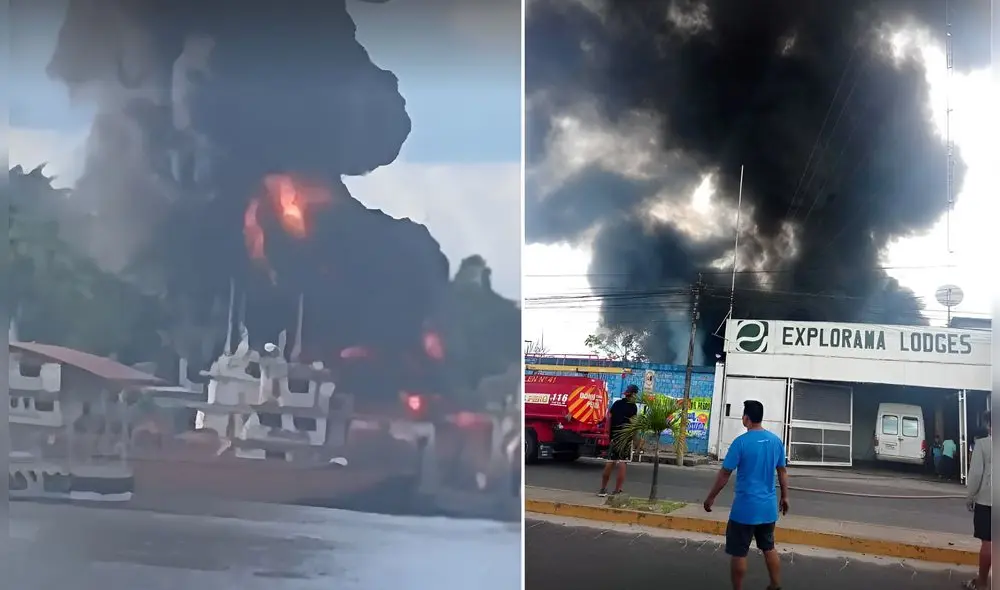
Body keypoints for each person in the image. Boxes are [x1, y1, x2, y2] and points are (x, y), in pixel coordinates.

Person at [704, 400, 789, 590]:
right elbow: (782, 471)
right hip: (767, 509)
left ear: (746, 418)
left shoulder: (740, 443)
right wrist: (785, 496)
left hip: (744, 510)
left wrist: (711, 497)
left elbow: (725, 474)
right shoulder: (775, 441)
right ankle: (775, 585)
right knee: (769, 547)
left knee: (739, 553)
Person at [963, 411, 991, 590]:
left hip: (987, 500)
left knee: (988, 542)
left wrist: (970, 497)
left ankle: (981, 583)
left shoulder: (983, 444)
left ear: (989, 425)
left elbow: (976, 474)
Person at [598, 384, 639, 497]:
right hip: (625, 438)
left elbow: (609, 418)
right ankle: (617, 490)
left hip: (614, 437)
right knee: (622, 463)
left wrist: (609, 434)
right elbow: (633, 424)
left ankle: (603, 489)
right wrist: (636, 440)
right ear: (634, 394)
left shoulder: (617, 404)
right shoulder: (633, 407)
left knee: (610, 462)